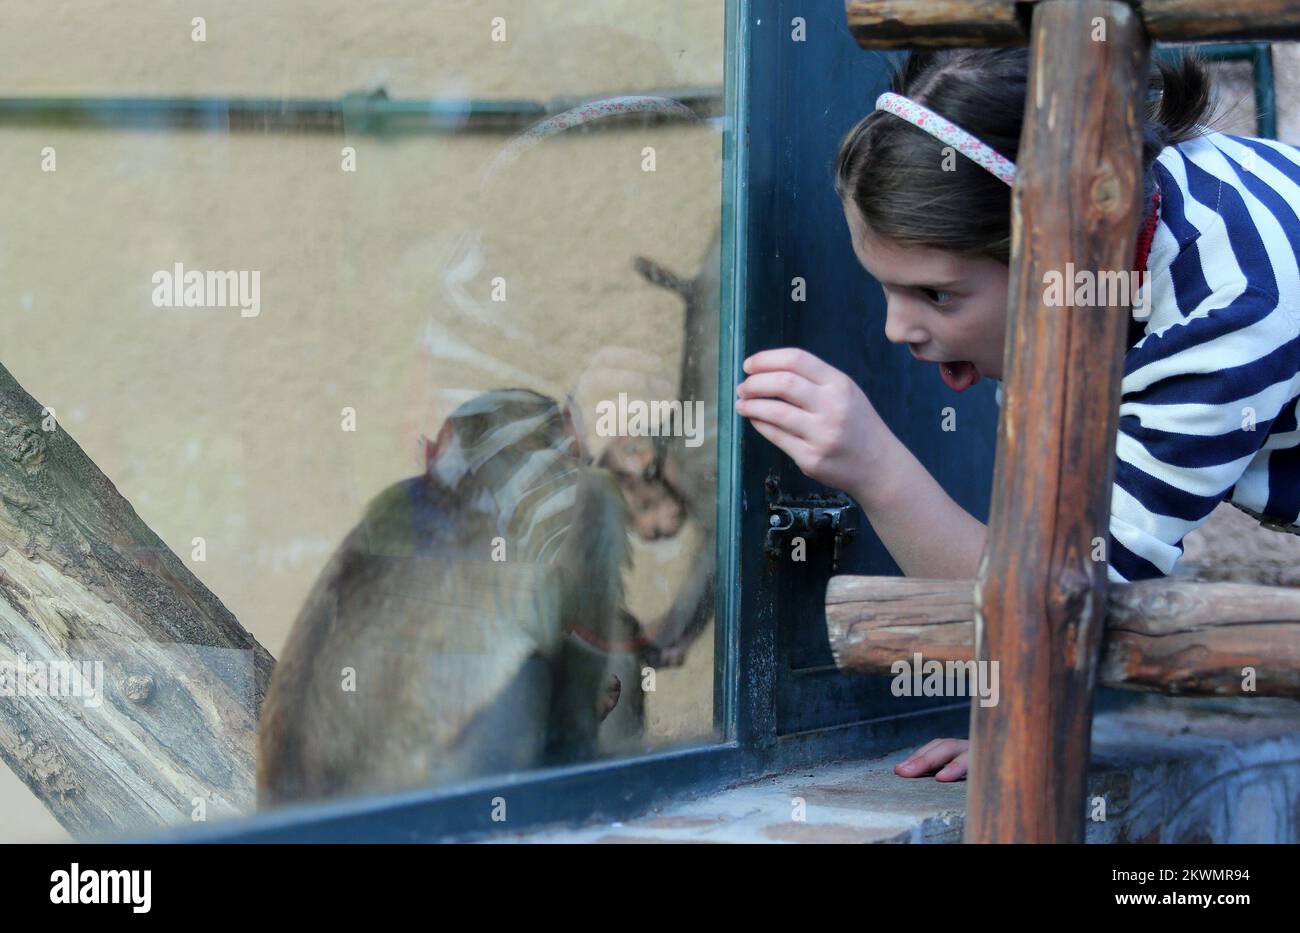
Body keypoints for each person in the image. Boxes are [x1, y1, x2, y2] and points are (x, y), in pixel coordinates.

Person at [734, 49, 1300, 782]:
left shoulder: (1224, 308)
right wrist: (1015, 722)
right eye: (886, 288)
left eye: (936, 294)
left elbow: (1065, 603)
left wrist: (873, 467)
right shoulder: (1132, 220)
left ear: (1048, 250)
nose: (895, 330)